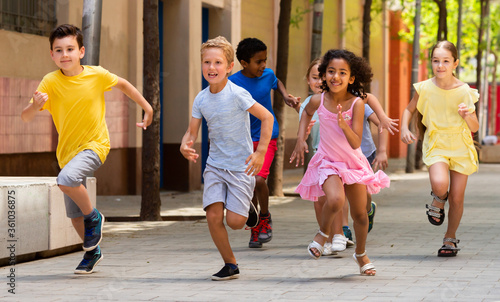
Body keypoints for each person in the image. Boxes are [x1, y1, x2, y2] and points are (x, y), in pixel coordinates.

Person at [20, 24, 153, 274]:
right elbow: (25, 118)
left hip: (95, 145)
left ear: (81, 51)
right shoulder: (50, 81)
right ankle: (93, 253)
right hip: (67, 153)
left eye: (70, 49)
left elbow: (123, 84)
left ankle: (95, 217)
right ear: (52, 54)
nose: (64, 55)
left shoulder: (96, 74)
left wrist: (147, 107)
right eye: (58, 50)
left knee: (66, 180)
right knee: (74, 214)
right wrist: (35, 105)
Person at [180, 36, 273, 280]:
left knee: (234, 222)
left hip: (241, 167)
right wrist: (184, 144)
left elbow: (267, 118)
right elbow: (192, 131)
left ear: (230, 66)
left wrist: (260, 151)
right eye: (207, 62)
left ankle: (249, 209)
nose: (212, 68)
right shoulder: (200, 98)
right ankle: (230, 264)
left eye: (218, 63)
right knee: (212, 216)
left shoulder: (238, 94)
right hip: (215, 166)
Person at [291, 49, 390, 276]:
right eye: (331, 72)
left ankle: (361, 254)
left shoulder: (355, 103)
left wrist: (346, 124)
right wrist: (300, 139)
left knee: (360, 216)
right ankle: (322, 234)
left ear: (351, 78)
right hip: (328, 161)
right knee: (335, 199)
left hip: (353, 163)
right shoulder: (319, 99)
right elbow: (305, 112)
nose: (336, 77)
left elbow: (356, 143)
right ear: (324, 75)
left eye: (342, 73)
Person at [401, 40, 479, 257]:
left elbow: (475, 127)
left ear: (455, 63)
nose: (440, 66)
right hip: (436, 143)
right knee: (440, 184)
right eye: (436, 61)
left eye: (446, 61)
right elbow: (408, 110)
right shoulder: (424, 88)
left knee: (457, 198)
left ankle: (450, 238)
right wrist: (404, 129)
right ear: (431, 63)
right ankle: (438, 198)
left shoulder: (464, 91)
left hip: (461, 146)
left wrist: (467, 115)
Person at [229, 38, 300, 248]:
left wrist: (285, 96)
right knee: (247, 185)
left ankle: (265, 217)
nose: (263, 66)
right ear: (244, 62)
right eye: (258, 62)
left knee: (259, 181)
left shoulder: (267, 74)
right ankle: (255, 228)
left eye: (264, 60)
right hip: (243, 140)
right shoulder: (233, 83)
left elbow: (275, 81)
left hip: (267, 137)